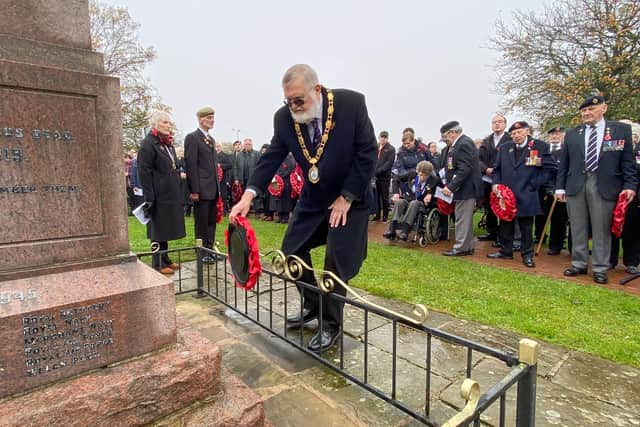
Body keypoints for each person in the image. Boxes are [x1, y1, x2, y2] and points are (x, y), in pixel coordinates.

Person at [230, 64, 376, 353]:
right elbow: (271, 157)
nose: (294, 107)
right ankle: (314, 307)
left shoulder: (351, 104)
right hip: (314, 197)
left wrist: (346, 197)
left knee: (335, 262)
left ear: (317, 90)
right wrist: (248, 195)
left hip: (350, 197)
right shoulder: (284, 119)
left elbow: (367, 152)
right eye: (289, 101)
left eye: (299, 100)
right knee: (291, 252)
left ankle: (331, 325)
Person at [556, 95, 637, 284]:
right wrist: (559, 187)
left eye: (591, 109)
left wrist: (630, 186)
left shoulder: (620, 130)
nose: (587, 113)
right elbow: (564, 164)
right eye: (583, 111)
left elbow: (628, 163)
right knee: (577, 226)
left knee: (601, 228)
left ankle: (600, 267)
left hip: (604, 184)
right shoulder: (573, 133)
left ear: (604, 108)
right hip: (576, 184)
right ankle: (579, 263)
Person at [487, 121, 555, 267]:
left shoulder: (540, 146)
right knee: (505, 224)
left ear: (527, 132)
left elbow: (549, 168)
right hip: (506, 194)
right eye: (513, 134)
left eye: (519, 132)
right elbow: (496, 169)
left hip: (527, 192)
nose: (516, 136)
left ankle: (527, 255)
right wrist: (496, 185)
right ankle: (505, 251)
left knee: (526, 227)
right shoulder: (505, 148)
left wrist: (534, 184)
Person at [137, 111, 186, 274]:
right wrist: (150, 197)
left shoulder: (167, 143)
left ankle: (165, 259)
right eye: (165, 122)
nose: (168, 125)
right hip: (156, 195)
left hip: (169, 194)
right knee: (157, 230)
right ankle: (157, 263)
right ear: (155, 124)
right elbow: (144, 172)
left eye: (169, 122)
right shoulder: (148, 144)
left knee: (165, 228)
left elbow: (174, 165)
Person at [439, 121, 483, 256]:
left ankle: (460, 247)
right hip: (463, 188)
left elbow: (465, 169)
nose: (445, 141)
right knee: (465, 219)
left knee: (462, 218)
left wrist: (451, 187)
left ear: (452, 133)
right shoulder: (458, 144)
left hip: (466, 188)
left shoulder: (463, 144)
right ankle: (467, 246)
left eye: (445, 137)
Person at [184, 106, 221, 263]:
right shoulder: (192, 138)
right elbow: (191, 165)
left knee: (211, 221)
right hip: (201, 188)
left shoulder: (210, 140)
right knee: (201, 222)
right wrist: (194, 190)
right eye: (208, 117)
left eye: (213, 117)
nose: (212, 120)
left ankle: (210, 248)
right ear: (200, 119)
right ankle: (201, 252)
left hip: (212, 188)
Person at [610, 120, 640, 274]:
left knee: (633, 229)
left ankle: (632, 261)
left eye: (634, 134)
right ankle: (610, 259)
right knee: (611, 227)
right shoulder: (613, 146)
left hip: (635, 197)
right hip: (615, 193)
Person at [383, 160, 438, 241]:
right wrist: (396, 193)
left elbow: (440, 191)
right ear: (417, 172)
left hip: (422, 203)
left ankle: (405, 231)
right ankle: (392, 230)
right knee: (400, 202)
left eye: (425, 176)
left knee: (414, 203)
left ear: (429, 174)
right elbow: (396, 179)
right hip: (408, 199)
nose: (422, 178)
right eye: (420, 175)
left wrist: (431, 194)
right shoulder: (412, 174)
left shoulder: (434, 180)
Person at [478, 114, 511, 242]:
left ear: (505, 124)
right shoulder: (486, 141)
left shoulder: (509, 140)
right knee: (489, 207)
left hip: (503, 179)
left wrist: (497, 170)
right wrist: (485, 169)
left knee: (503, 206)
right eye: (494, 122)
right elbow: (479, 159)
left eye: (499, 122)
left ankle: (503, 236)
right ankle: (491, 231)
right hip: (487, 178)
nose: (497, 124)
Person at [544, 126, 569, 255]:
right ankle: (541, 238)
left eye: (558, 134)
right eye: (552, 134)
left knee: (559, 219)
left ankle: (557, 245)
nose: (555, 136)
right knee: (545, 217)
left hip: (560, 189)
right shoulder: (544, 150)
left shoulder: (567, 150)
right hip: (544, 188)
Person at [373, 130, 395, 222]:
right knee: (376, 197)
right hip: (375, 177)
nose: (383, 138)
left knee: (385, 197)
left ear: (387, 138)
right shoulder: (376, 146)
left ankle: (385, 216)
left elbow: (388, 164)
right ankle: (377, 215)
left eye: (385, 137)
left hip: (384, 177)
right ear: (379, 137)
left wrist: (378, 171)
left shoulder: (391, 149)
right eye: (381, 137)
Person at [216, 142, 233, 213]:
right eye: (216, 146)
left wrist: (221, 166)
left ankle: (224, 210)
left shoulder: (225, 156)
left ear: (221, 147)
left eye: (218, 146)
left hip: (223, 178)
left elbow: (230, 165)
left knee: (223, 195)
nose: (217, 147)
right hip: (213, 179)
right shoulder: (211, 155)